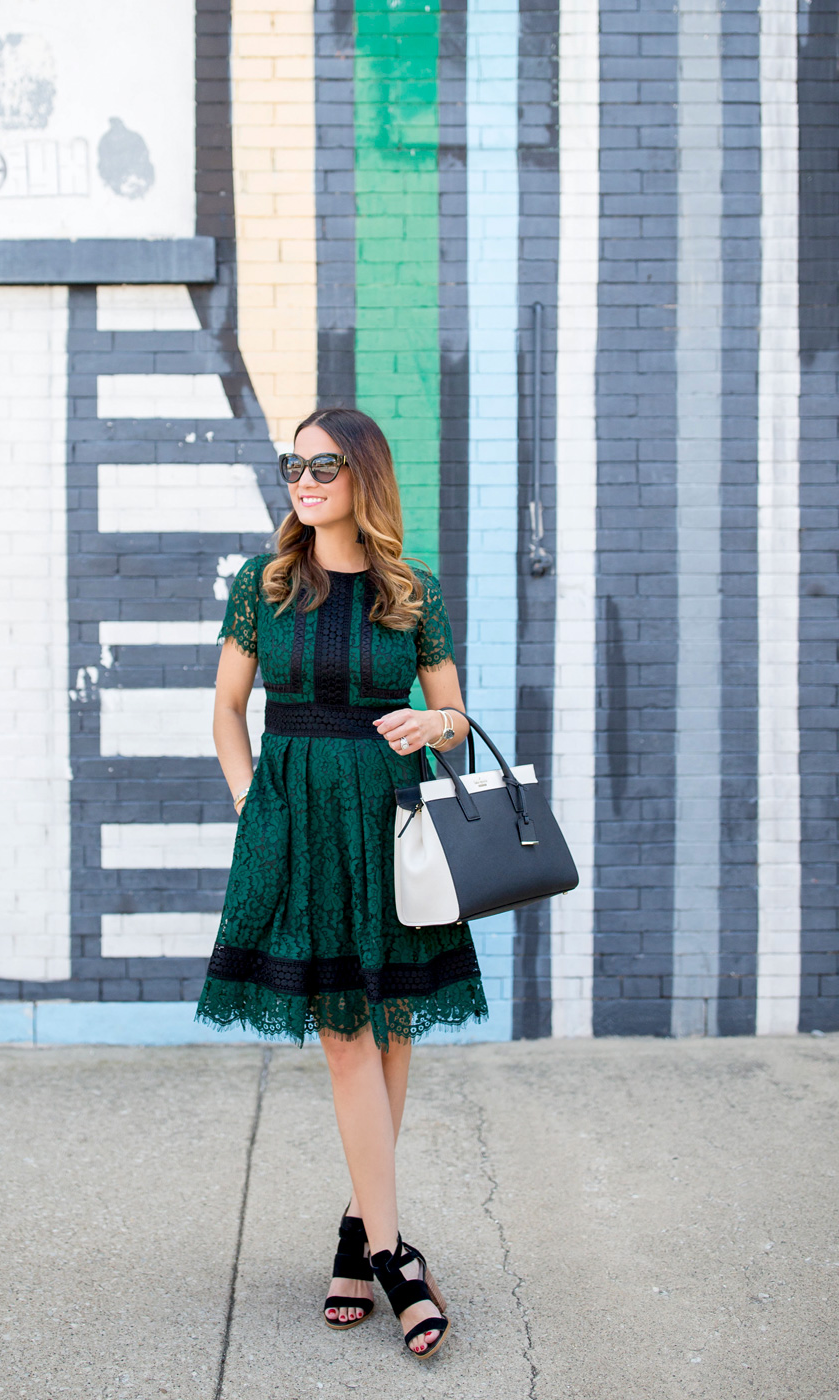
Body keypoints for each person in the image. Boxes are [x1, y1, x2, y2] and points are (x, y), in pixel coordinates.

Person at [196, 407, 487, 1359]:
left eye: (323, 463)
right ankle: (397, 1256)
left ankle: (356, 1239)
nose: (304, 478)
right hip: (299, 828)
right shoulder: (266, 583)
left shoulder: (411, 592)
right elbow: (229, 710)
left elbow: (453, 716)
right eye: (293, 464)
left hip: (393, 826)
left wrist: (425, 730)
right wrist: (253, 804)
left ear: (363, 474)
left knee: (393, 1034)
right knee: (347, 1039)